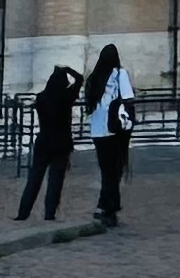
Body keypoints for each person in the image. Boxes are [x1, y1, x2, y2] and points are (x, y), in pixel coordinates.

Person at [14, 60, 83, 221]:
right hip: (62, 142)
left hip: (43, 141)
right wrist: (68, 70)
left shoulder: (41, 98)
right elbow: (80, 79)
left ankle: (23, 212)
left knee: (34, 178)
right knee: (55, 180)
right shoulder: (67, 97)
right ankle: (49, 213)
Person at [84, 42, 137, 224]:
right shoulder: (120, 74)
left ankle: (104, 205)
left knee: (106, 169)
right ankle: (110, 208)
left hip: (97, 129)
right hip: (115, 128)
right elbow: (128, 98)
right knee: (115, 169)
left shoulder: (93, 77)